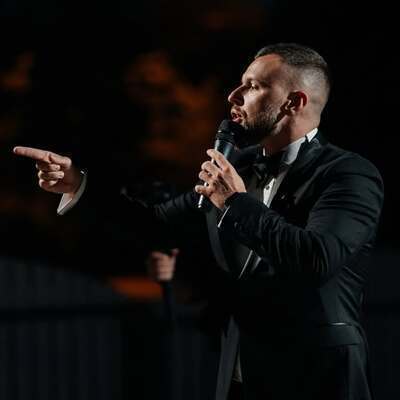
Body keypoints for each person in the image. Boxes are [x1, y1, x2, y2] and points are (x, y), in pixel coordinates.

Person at [14, 43, 384, 400]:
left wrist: (234, 202)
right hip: (240, 374)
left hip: (317, 377)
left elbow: (317, 257)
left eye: (253, 86)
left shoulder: (348, 174)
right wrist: (77, 184)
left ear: (294, 101)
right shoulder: (239, 166)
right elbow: (157, 223)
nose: (234, 95)